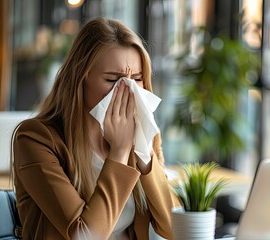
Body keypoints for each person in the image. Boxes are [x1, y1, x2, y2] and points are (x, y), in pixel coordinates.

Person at [12, 17, 177, 240]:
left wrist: (144, 155)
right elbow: (86, 235)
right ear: (80, 80)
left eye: (136, 79)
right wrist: (119, 152)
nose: (127, 90)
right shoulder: (35, 139)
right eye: (112, 79)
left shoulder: (147, 137)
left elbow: (174, 228)